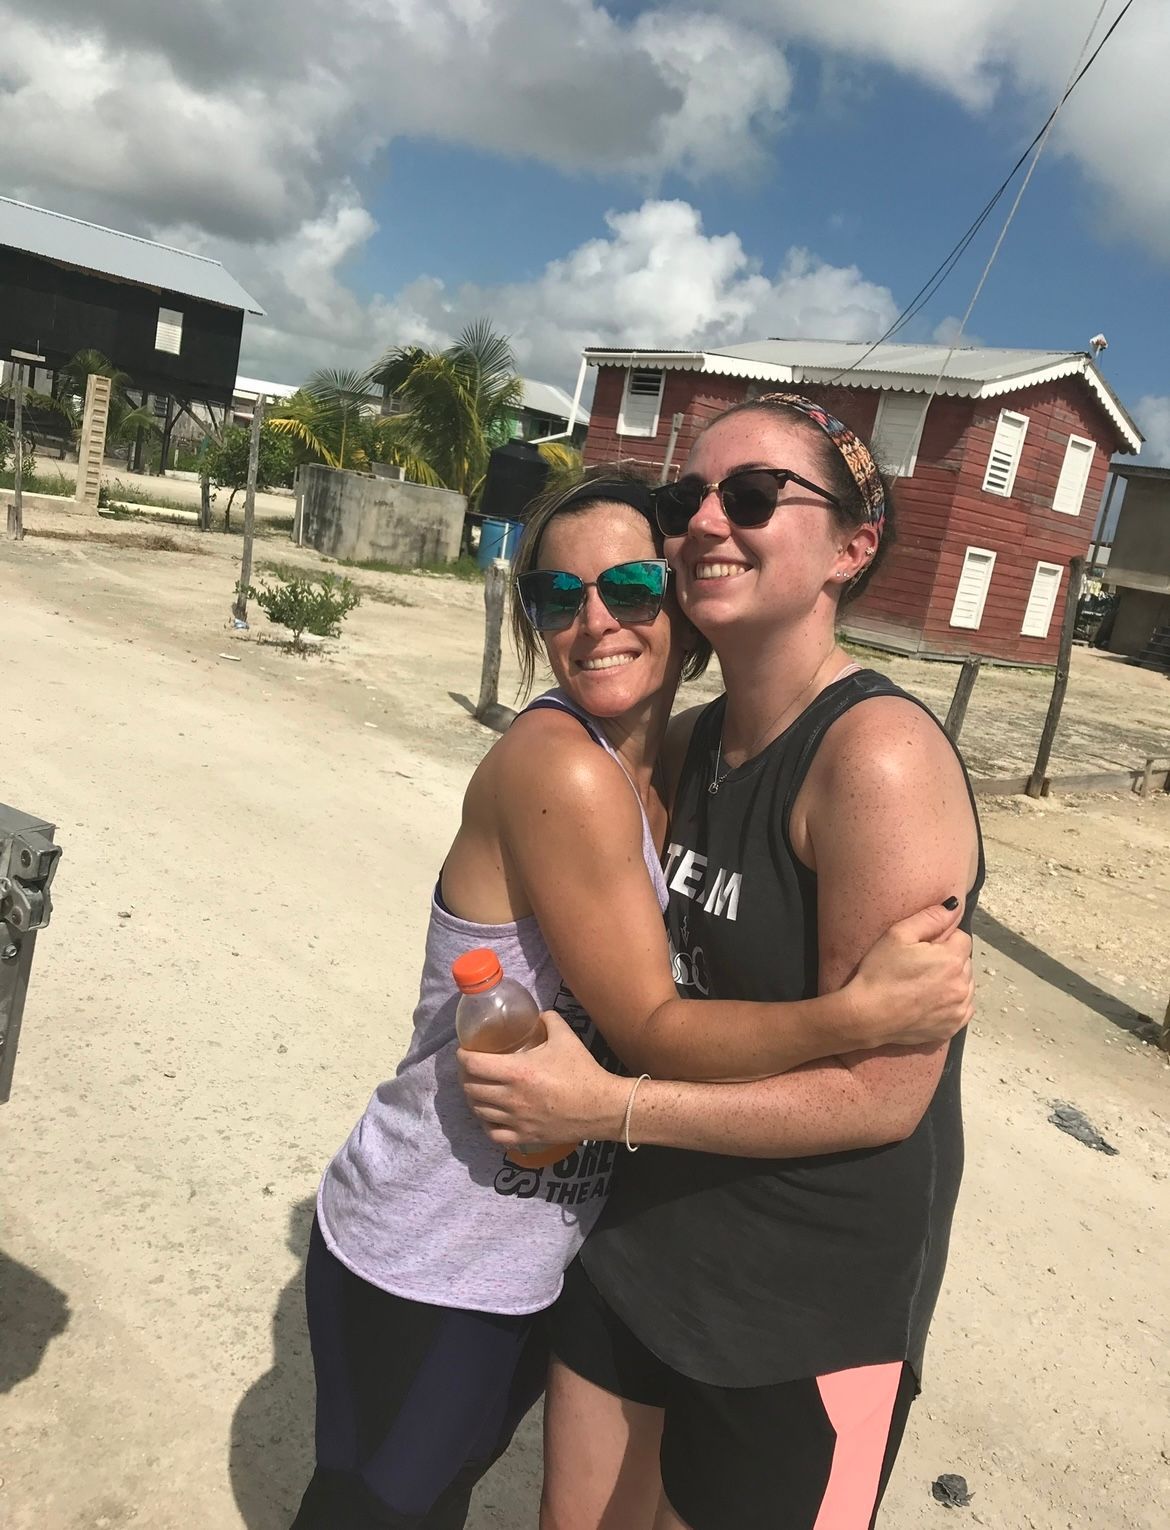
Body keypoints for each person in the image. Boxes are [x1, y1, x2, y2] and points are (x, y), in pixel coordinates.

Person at [292, 467, 974, 1530]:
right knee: (378, 1513)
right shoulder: (561, 770)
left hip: (531, 1250)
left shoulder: (679, 762)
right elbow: (654, 1026)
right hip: (437, 1243)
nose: (594, 620)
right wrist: (853, 1019)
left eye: (630, 584)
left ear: (680, 606)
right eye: (558, 600)